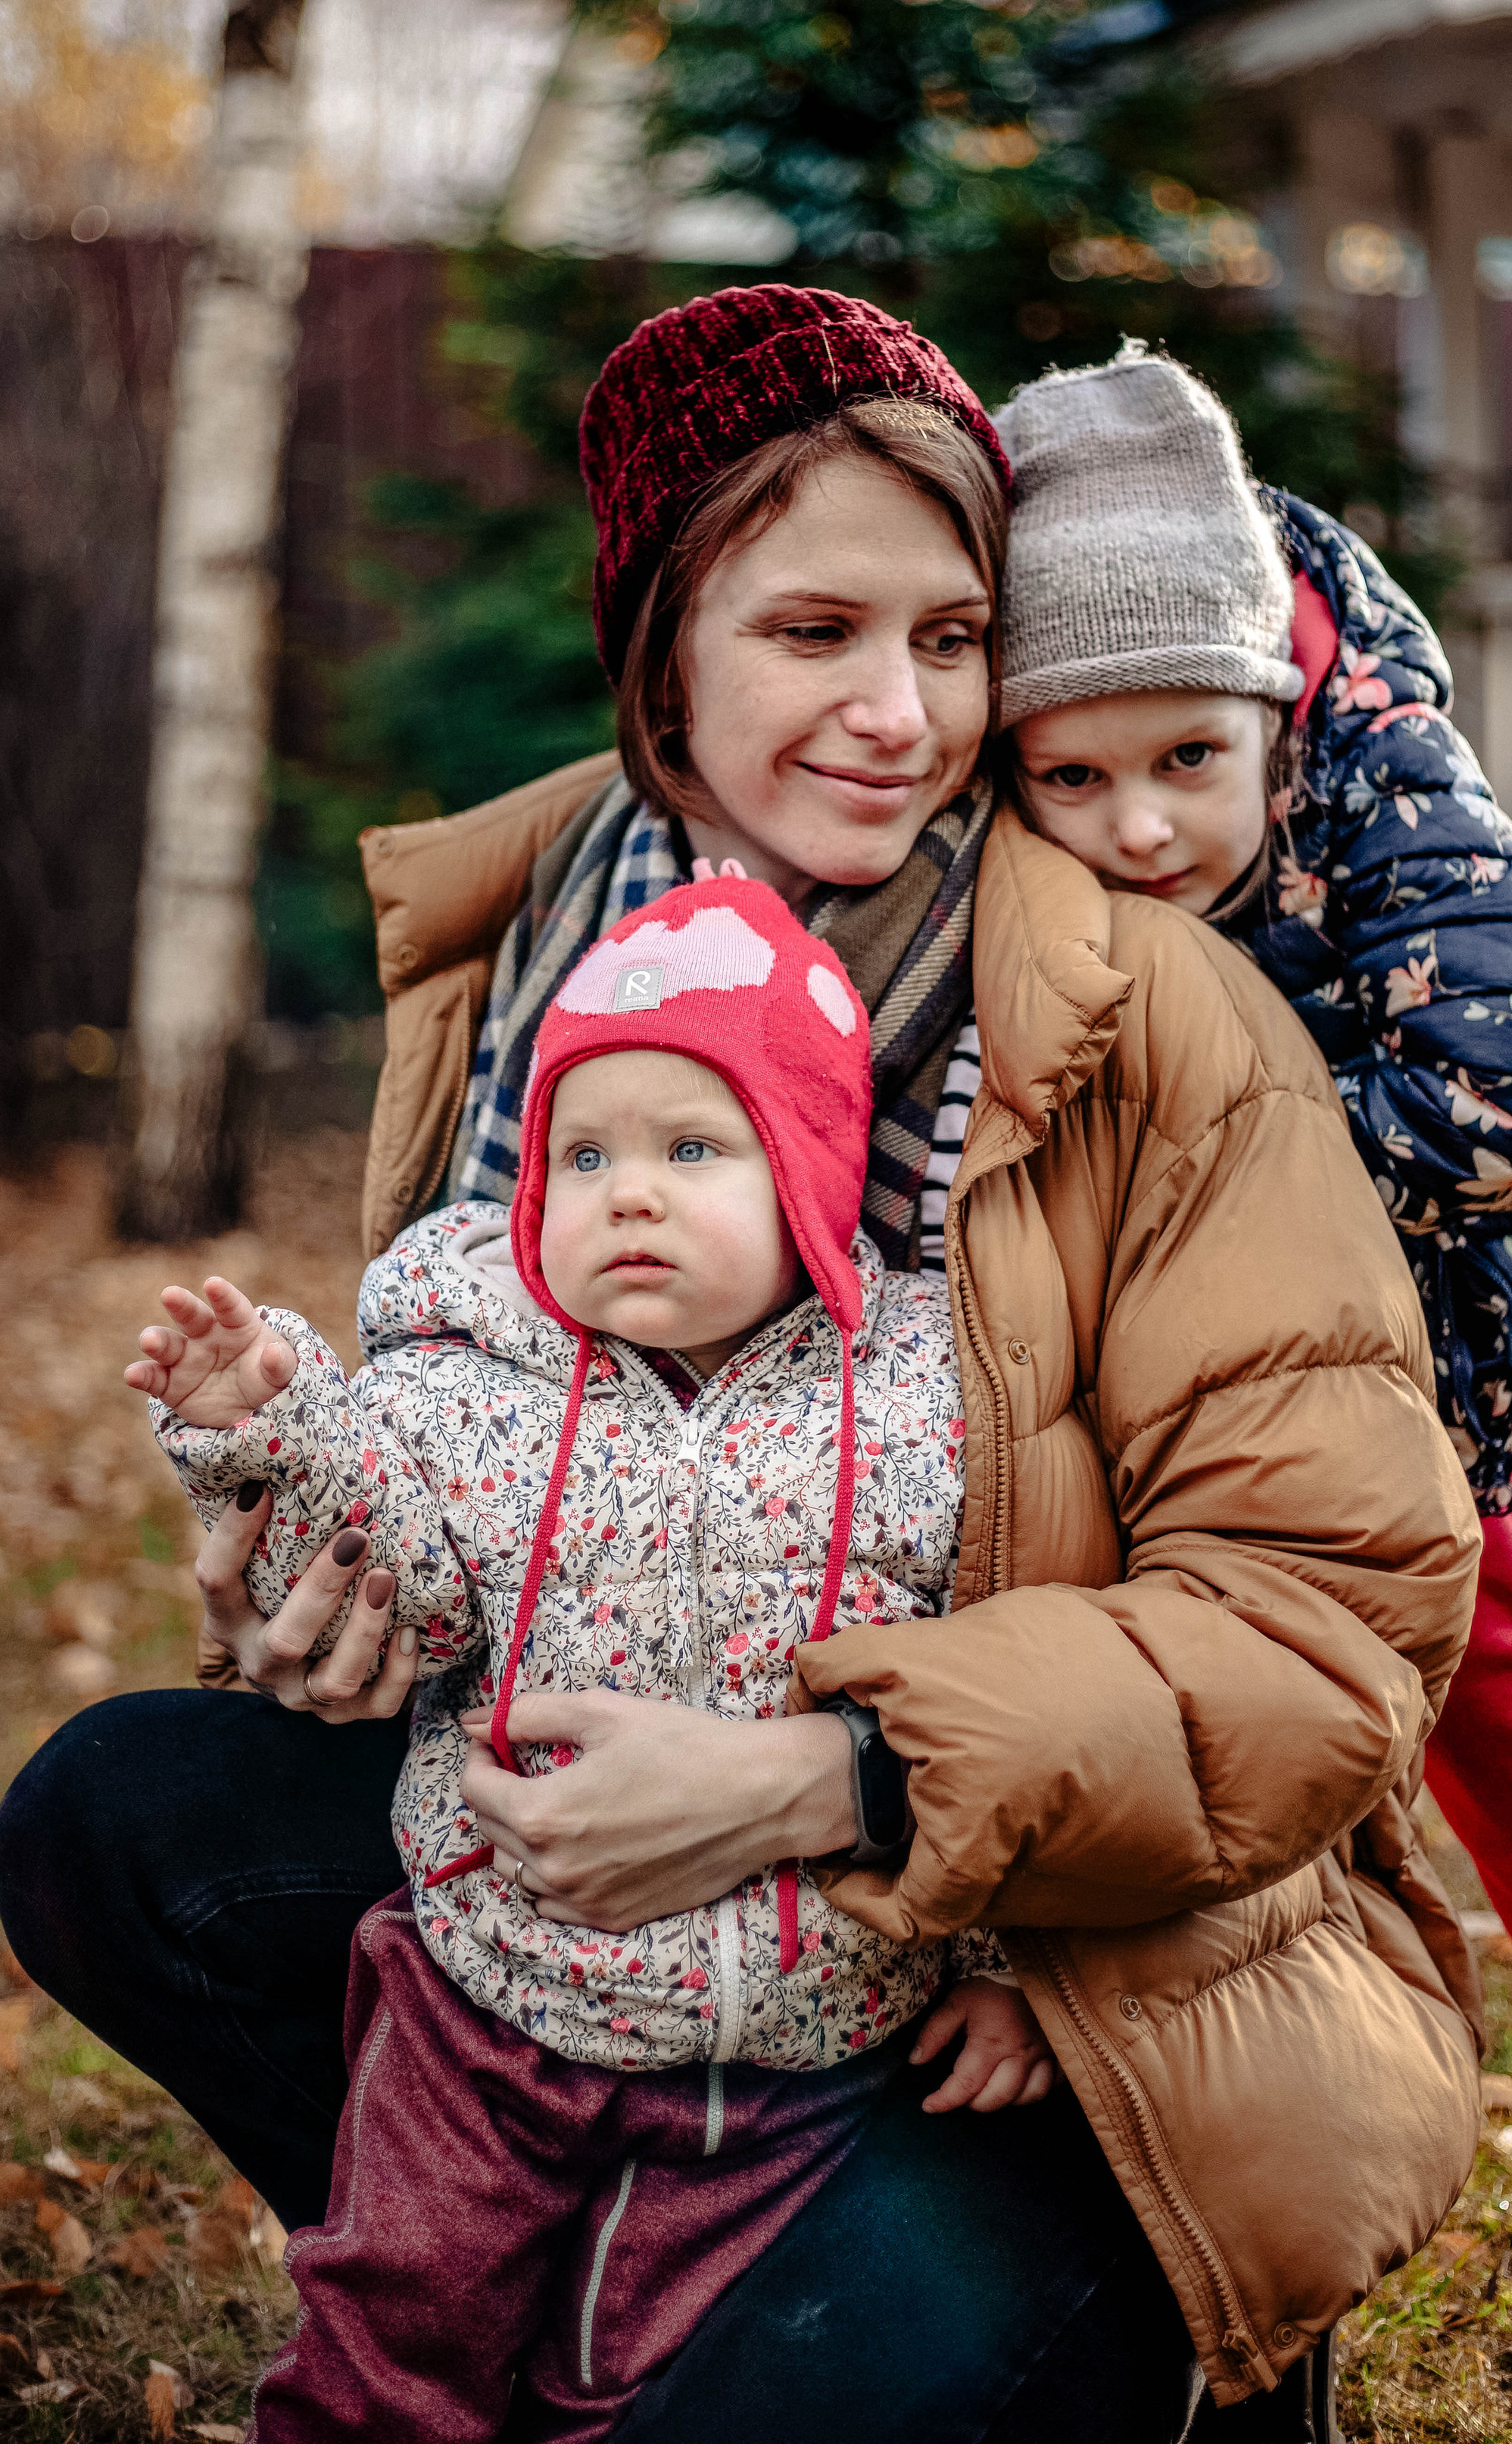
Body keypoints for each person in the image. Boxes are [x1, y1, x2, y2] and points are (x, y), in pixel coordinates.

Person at [0, 285, 1482, 2436]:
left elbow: (1329, 1627)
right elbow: (501, 1423)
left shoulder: (1139, 1014)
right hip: (600, 1950)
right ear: (661, 657)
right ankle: (525, 2262)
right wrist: (319, 1559)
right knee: (123, 1816)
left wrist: (832, 1783)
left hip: (1049, 1969)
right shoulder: (549, 948)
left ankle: (943, 2333)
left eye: (953, 638)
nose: (902, 713)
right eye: (816, 634)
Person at [990, 341, 1512, 2293]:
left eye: (1186, 761)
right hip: (1186, 1481)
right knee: (1215, 1864)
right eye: (1070, 777)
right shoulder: (1029, 891)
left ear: (1273, 721)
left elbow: (1499, 1090)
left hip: (1436, 1453)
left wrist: (1215, 1161)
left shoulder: (1393, 805)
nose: (1138, 826)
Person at [129, 873, 1049, 2436]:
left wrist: (1010, 1959)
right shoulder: (475, 1388)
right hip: (487, 2013)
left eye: (694, 1150)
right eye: (586, 1154)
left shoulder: (924, 1408)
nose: (629, 1193)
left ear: (815, 1182)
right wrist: (273, 1435)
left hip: (800, 2052)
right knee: (390, 2327)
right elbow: (395, 1603)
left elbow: (987, 1692)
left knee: (640, 2378)